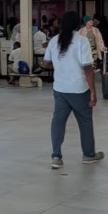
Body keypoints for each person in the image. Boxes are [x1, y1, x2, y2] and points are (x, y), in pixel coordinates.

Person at [41, 11, 103, 169]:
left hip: (60, 88)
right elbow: (88, 68)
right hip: (79, 89)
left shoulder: (54, 41)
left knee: (58, 122)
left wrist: (60, 65)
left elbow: (45, 63)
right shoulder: (82, 41)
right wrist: (93, 91)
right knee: (85, 121)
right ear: (78, 25)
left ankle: (56, 156)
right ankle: (88, 154)